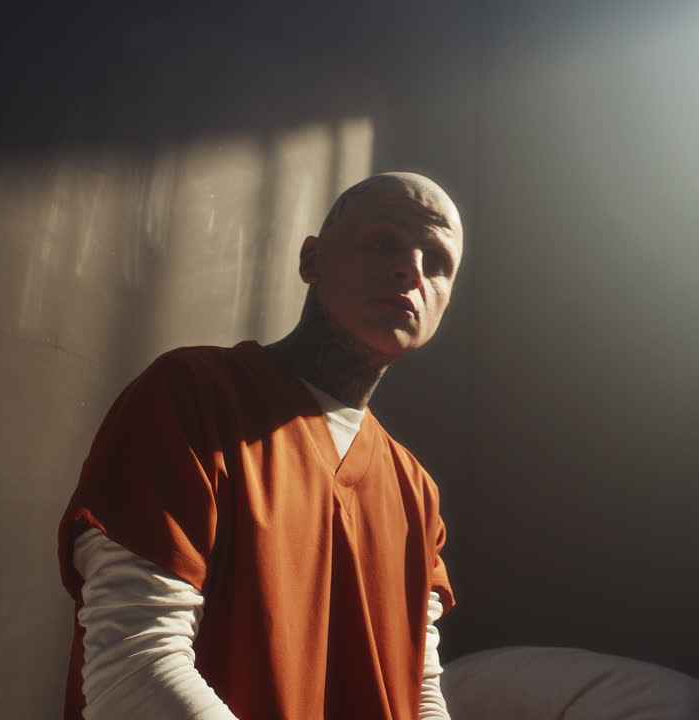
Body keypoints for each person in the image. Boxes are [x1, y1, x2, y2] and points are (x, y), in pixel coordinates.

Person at [57, 172, 464, 720]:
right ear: (312, 261)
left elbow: (421, 693)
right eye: (382, 242)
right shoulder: (190, 397)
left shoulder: (418, 492)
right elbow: (132, 670)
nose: (412, 270)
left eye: (437, 261)